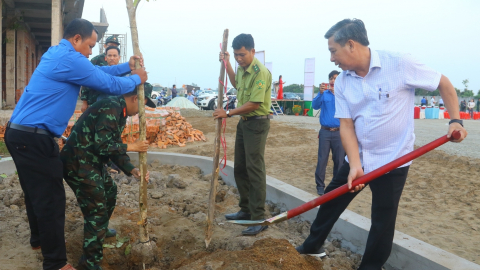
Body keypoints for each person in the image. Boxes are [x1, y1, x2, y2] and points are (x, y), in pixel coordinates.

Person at [295, 19, 466, 269]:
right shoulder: (342, 81)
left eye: (333, 50)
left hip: (393, 161)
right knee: (331, 200)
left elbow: (443, 83)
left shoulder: (400, 63)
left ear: (351, 45)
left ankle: (370, 267)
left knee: (383, 219)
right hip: (359, 157)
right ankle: (312, 245)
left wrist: (455, 120)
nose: (332, 58)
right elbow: (347, 125)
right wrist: (354, 164)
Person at [4, 18, 147, 270]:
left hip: (21, 134)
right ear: (77, 39)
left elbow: (99, 73)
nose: (92, 52)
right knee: (51, 199)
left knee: (35, 192)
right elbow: (108, 84)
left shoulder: (59, 54)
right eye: (90, 45)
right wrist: (136, 79)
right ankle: (56, 263)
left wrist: (126, 66)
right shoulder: (69, 58)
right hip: (34, 137)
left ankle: (39, 240)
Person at [61, 87, 155, 269]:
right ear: (135, 98)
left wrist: (132, 169)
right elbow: (103, 145)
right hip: (78, 163)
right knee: (96, 211)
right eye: (143, 104)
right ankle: (90, 263)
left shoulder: (120, 110)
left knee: (110, 190)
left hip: (91, 161)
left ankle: (100, 230)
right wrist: (132, 146)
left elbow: (112, 146)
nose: (142, 111)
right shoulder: (112, 107)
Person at [214, 33, 272, 235]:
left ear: (252, 51)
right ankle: (245, 209)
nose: (239, 58)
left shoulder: (260, 72)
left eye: (242, 54)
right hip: (244, 123)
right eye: (236, 55)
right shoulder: (242, 69)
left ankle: (258, 217)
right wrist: (228, 63)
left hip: (257, 124)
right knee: (240, 167)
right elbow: (236, 83)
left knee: (254, 169)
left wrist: (228, 113)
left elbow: (255, 103)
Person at [312, 70, 345, 196]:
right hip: (325, 132)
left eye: (336, 78)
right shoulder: (324, 93)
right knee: (322, 160)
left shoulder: (343, 94)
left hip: (339, 132)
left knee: (339, 160)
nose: (333, 81)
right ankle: (320, 186)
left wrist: (338, 95)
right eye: (331, 78)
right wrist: (320, 93)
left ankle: (336, 187)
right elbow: (315, 106)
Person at [81, 35, 121, 112]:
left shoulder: (117, 63)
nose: (113, 48)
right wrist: (84, 101)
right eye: (111, 45)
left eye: (115, 46)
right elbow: (86, 80)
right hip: (95, 99)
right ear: (105, 46)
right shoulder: (96, 60)